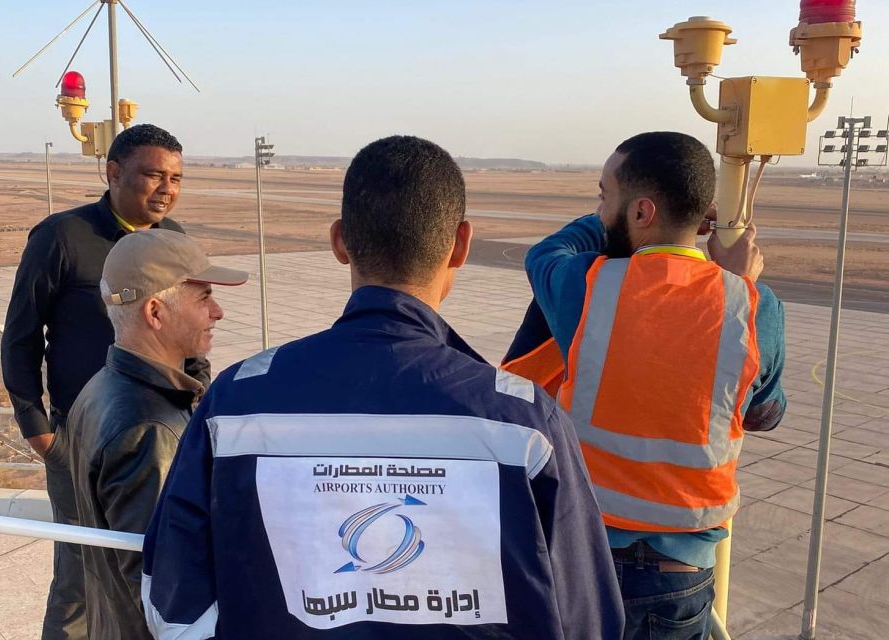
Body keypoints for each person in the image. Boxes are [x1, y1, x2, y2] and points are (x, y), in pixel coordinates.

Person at [141, 135, 625, 639]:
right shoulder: (524, 423)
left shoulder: (235, 405)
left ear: (340, 241)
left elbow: (173, 608)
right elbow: (587, 620)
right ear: (461, 244)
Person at [503, 131, 787, 640]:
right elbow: (765, 412)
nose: (600, 209)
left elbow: (546, 253)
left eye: (604, 196)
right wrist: (738, 283)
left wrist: (602, 224)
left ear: (641, 211)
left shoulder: (587, 286)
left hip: (585, 559)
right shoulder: (754, 306)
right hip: (680, 576)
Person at [0, 123, 207, 640]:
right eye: (154, 175)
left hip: (160, 437)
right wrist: (39, 430)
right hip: (82, 435)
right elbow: (21, 337)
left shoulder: (173, 240)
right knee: (79, 580)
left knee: (155, 570)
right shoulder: (62, 236)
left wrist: (198, 397)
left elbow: (191, 333)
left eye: (176, 178)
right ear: (113, 173)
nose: (167, 189)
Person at [65, 229, 247, 639]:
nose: (217, 311)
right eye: (203, 298)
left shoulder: (99, 390)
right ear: (155, 312)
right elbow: (164, 594)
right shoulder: (149, 428)